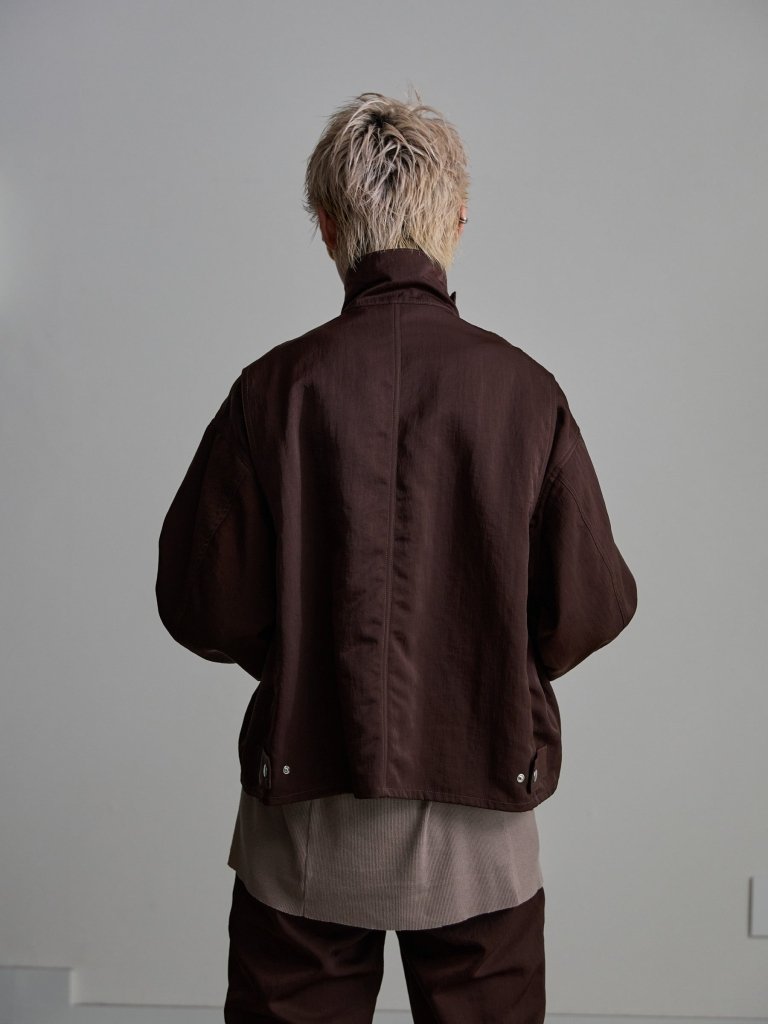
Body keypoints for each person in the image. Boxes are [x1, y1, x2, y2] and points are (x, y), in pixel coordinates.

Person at [155, 89, 638, 1023]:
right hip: (483, 810)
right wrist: (487, 660)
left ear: (329, 228)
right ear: (456, 221)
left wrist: (306, 653)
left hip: (305, 811)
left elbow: (200, 602)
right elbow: (590, 606)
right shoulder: (525, 392)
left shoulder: (271, 390)